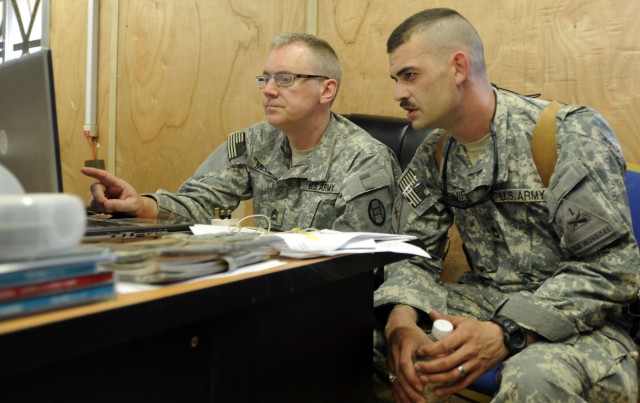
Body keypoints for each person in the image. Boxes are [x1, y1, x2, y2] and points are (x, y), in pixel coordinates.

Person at [374, 8, 640, 403]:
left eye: (409, 75)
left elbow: (613, 269)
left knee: (532, 378)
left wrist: (509, 329)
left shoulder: (567, 134)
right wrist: (401, 321)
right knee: (347, 335)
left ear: (458, 67)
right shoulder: (437, 152)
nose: (398, 93)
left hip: (585, 322)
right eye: (395, 79)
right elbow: (413, 251)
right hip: (486, 299)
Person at [82, 33, 401, 232]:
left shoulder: (365, 159)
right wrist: (142, 205)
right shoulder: (256, 141)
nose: (269, 91)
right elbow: (202, 201)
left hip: (331, 303)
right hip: (266, 287)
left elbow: (357, 258)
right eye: (266, 79)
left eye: (285, 79)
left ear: (326, 90)